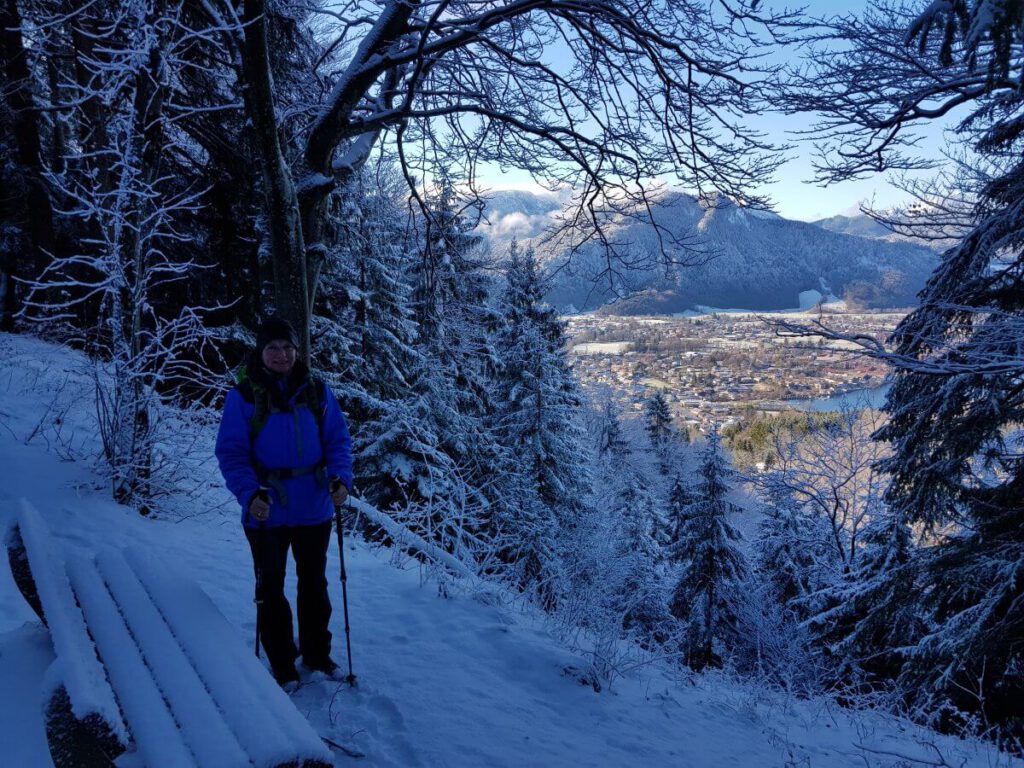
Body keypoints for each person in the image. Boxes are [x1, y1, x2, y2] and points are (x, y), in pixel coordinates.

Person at [216, 316, 353, 687]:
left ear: (297, 350)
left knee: (314, 586)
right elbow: (231, 453)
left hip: (313, 507)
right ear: (260, 352)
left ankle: (317, 656)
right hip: (266, 510)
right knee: (270, 589)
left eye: (288, 347)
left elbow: (338, 441)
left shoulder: (316, 390)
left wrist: (341, 478)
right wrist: (248, 493)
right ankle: (282, 663)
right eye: (273, 347)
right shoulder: (243, 396)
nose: (281, 354)